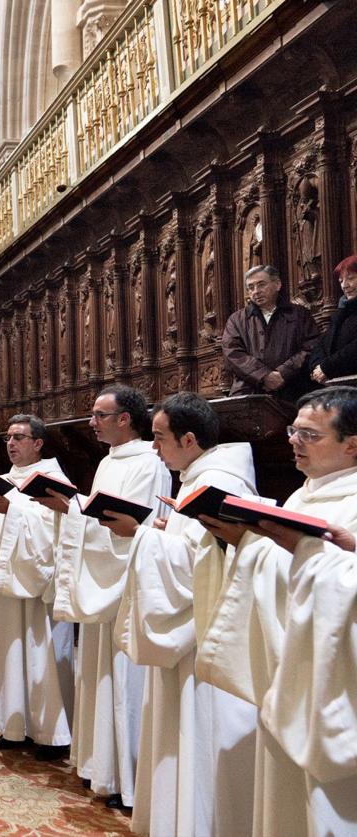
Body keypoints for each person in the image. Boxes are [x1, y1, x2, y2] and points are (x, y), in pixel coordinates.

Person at [198, 386, 357, 836]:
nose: (293, 441)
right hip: (289, 668)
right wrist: (244, 541)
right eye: (293, 430)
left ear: (353, 444)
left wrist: (307, 553)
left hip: (334, 684)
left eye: (309, 434)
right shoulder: (301, 496)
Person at [102, 393, 258, 835]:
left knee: (198, 736)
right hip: (191, 635)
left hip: (203, 638)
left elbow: (202, 569)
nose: (154, 448)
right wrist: (157, 534)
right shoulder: (195, 479)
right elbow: (194, 551)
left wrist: (141, 535)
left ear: (189, 439)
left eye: (160, 438)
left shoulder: (220, 485)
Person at [38, 384, 170, 810]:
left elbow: (132, 527)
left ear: (124, 419)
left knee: (124, 683)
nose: (91, 422)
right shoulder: (109, 462)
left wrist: (75, 511)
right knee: (98, 676)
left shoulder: (150, 464)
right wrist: (73, 509)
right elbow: (102, 516)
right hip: (104, 585)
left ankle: (127, 779)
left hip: (125, 585)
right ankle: (102, 769)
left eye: (99, 414)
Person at [0, 414, 74, 760]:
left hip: (34, 586)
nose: (11, 444)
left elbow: (57, 525)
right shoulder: (2, 480)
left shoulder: (52, 480)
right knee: (7, 651)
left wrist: (11, 509)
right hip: (1, 585)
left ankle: (50, 733)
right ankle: (13, 725)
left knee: (39, 653)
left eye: (19, 437)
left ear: (38, 443)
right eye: (8, 437)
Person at [222, 265, 318, 399]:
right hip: (249, 391)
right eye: (251, 287)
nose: (256, 291)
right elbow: (232, 354)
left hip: (292, 390)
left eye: (261, 285)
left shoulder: (299, 314)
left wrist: (283, 373)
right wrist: (264, 376)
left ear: (277, 284)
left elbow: (311, 346)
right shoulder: (237, 319)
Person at [309, 255, 357, 385]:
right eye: (341, 281)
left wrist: (327, 368)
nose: (344, 285)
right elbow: (322, 344)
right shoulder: (341, 313)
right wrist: (317, 367)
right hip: (338, 384)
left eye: (351, 278)